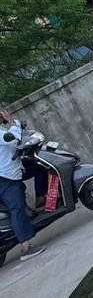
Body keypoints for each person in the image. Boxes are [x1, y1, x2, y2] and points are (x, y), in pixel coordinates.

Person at [0, 109, 45, 262]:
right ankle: (26, 248)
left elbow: (16, 139)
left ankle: (41, 199)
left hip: (12, 171)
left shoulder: (1, 130)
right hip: (5, 177)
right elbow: (12, 139)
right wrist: (11, 121)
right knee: (16, 207)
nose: (2, 114)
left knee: (39, 168)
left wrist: (14, 124)